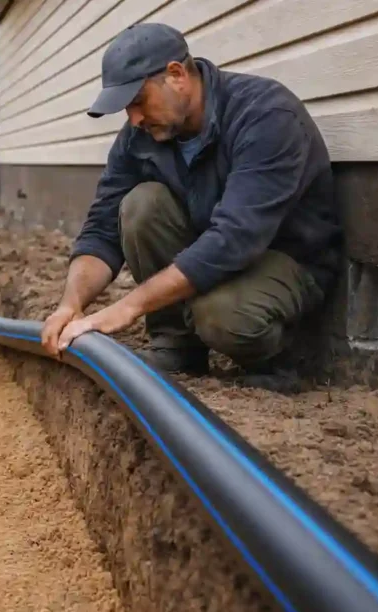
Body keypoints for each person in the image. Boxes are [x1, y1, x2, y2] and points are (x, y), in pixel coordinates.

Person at [40, 23, 343, 394]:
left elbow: (234, 238)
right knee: (140, 205)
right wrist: (70, 305)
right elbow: (102, 227)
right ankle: (178, 346)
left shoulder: (265, 115)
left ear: (176, 75)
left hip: (285, 257)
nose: (133, 118)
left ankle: (276, 359)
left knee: (220, 315)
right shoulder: (141, 137)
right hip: (209, 251)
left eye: (137, 101)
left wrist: (127, 307)